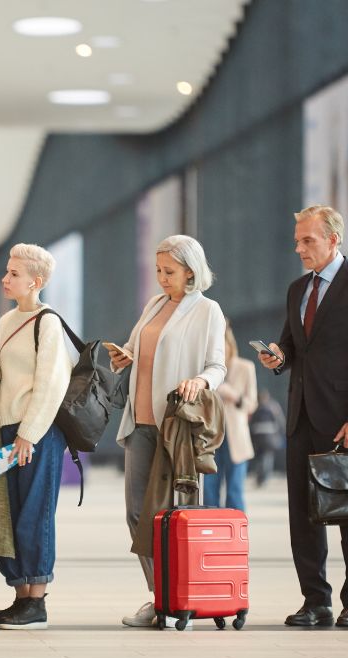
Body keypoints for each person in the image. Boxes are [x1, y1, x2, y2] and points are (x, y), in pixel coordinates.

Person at [258, 205, 348, 629]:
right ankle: (316, 600)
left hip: (343, 421)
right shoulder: (298, 289)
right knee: (304, 516)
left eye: (307, 240)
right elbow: (291, 348)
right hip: (301, 417)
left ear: (333, 239)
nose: (299, 248)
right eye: (297, 241)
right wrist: (276, 359)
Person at [107, 234, 227, 628]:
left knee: (177, 515)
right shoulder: (154, 304)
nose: (162, 278)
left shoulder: (207, 311)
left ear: (191, 271)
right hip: (140, 422)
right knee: (137, 514)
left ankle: (182, 599)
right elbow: (140, 347)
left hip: (176, 426)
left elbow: (217, 366)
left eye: (169, 271)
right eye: (158, 270)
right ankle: (161, 597)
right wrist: (125, 356)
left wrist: (200, 381)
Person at [0, 243, 73, 630]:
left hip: (37, 433)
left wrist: (29, 435)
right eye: (6, 270)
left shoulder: (46, 322)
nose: (6, 278)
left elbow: (51, 382)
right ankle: (20, 597)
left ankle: (37, 602)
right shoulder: (6, 321)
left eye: (14, 273)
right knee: (11, 514)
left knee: (35, 514)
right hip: (7, 430)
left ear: (36, 282)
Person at [203, 324, 258, 512]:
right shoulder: (205, 370)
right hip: (210, 437)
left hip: (237, 439)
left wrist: (233, 395)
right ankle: (212, 534)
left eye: (222, 344)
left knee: (235, 491)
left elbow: (252, 404)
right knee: (209, 492)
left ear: (229, 344)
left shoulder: (245, 367)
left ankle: (236, 536)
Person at [248, 390, 287, 487]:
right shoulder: (273, 407)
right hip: (270, 438)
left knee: (259, 458)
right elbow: (280, 422)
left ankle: (260, 477)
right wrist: (282, 434)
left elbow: (250, 422)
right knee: (267, 458)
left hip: (257, 438)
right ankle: (264, 478)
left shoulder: (255, 406)